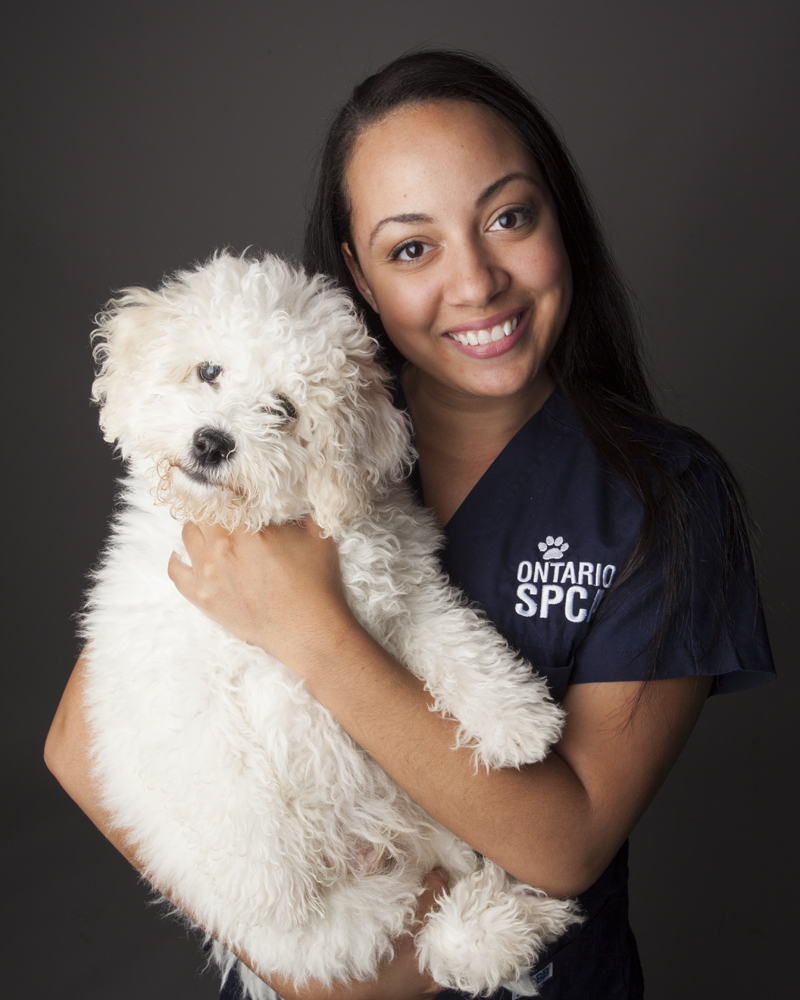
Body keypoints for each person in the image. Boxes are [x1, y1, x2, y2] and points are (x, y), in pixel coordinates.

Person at [45, 50, 775, 1000]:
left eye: (509, 217)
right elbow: (81, 745)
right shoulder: (280, 440)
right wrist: (293, 959)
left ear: (563, 221)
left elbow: (566, 840)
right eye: (412, 248)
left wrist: (312, 630)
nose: (476, 283)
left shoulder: (665, 499)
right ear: (359, 272)